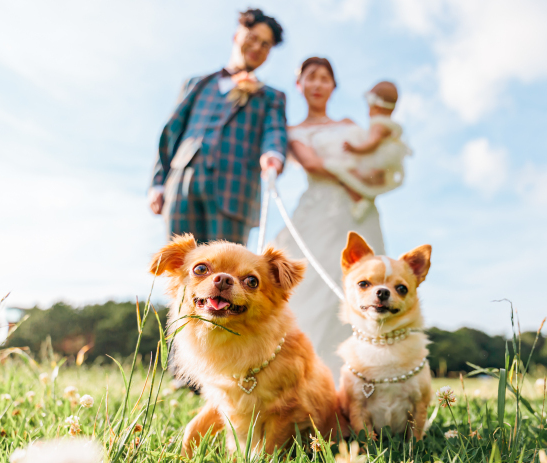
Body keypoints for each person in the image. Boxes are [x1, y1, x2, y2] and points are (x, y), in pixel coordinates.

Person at [272, 57, 389, 382]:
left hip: (359, 214)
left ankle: (364, 378)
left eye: (325, 78)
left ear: (333, 86)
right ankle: (307, 376)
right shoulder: (292, 132)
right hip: (319, 213)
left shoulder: (352, 125)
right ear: (300, 85)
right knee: (312, 285)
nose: (318, 84)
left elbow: (376, 165)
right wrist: (355, 178)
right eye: (311, 77)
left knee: (365, 284)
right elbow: (312, 164)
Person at [148, 8, 287, 245]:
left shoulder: (271, 96)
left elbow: (274, 130)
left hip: (234, 191)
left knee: (228, 271)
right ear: (237, 35)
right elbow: (171, 132)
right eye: (253, 38)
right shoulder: (196, 83)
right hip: (180, 184)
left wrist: (273, 155)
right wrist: (158, 183)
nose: (257, 48)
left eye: (265, 45)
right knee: (179, 268)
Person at [323, 81, 410, 221]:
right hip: (386, 162)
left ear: (376, 107)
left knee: (346, 175)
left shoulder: (378, 125)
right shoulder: (389, 125)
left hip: (375, 160)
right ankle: (364, 198)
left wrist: (355, 149)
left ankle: (361, 200)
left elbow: (372, 143)